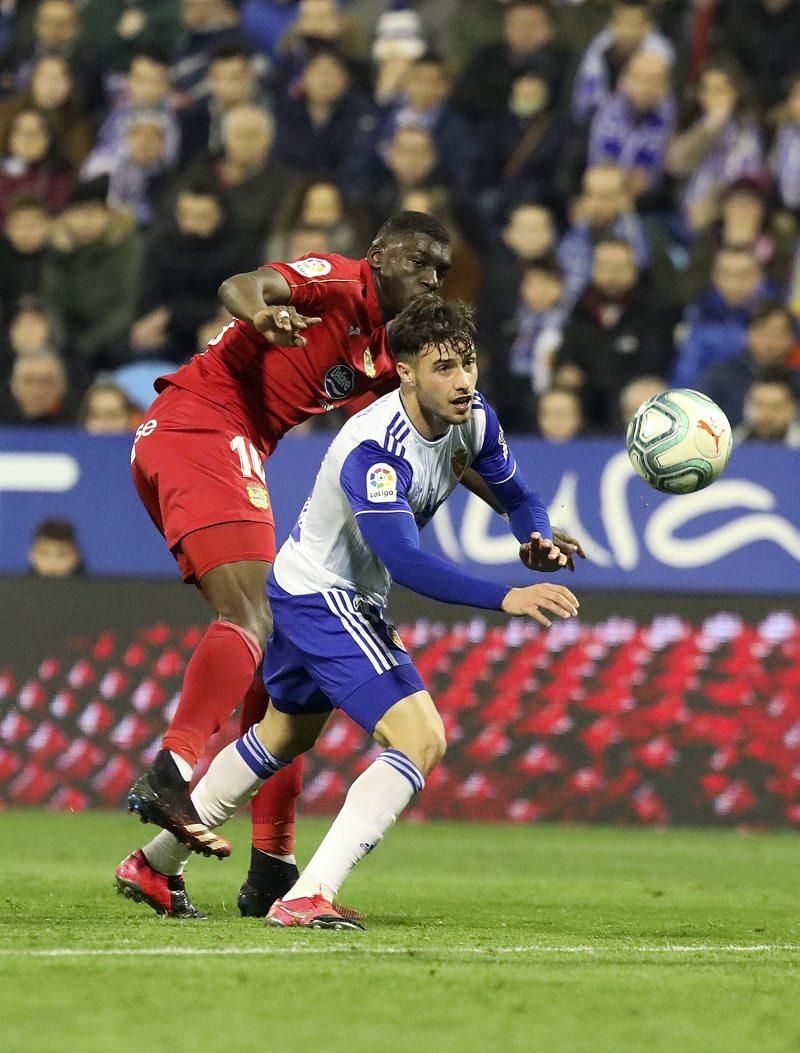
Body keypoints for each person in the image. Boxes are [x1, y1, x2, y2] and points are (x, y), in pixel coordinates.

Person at [117, 210, 583, 920]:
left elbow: (499, 479)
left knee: (283, 725)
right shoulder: (336, 292)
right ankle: (188, 782)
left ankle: (176, 863)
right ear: (378, 255)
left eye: (439, 270)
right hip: (206, 431)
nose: (429, 278)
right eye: (418, 263)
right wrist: (262, 317)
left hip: (277, 505)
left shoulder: (413, 379)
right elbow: (243, 284)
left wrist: (535, 530)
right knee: (403, 724)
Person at [698, 302, 800, 427]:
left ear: (792, 338)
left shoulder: (796, 380)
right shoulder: (721, 377)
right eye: (763, 332)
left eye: (779, 333)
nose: (770, 342)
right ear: (748, 334)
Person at [732, 369, 800, 447]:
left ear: (792, 409)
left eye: (775, 407)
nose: (765, 414)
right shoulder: (730, 446)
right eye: (759, 405)